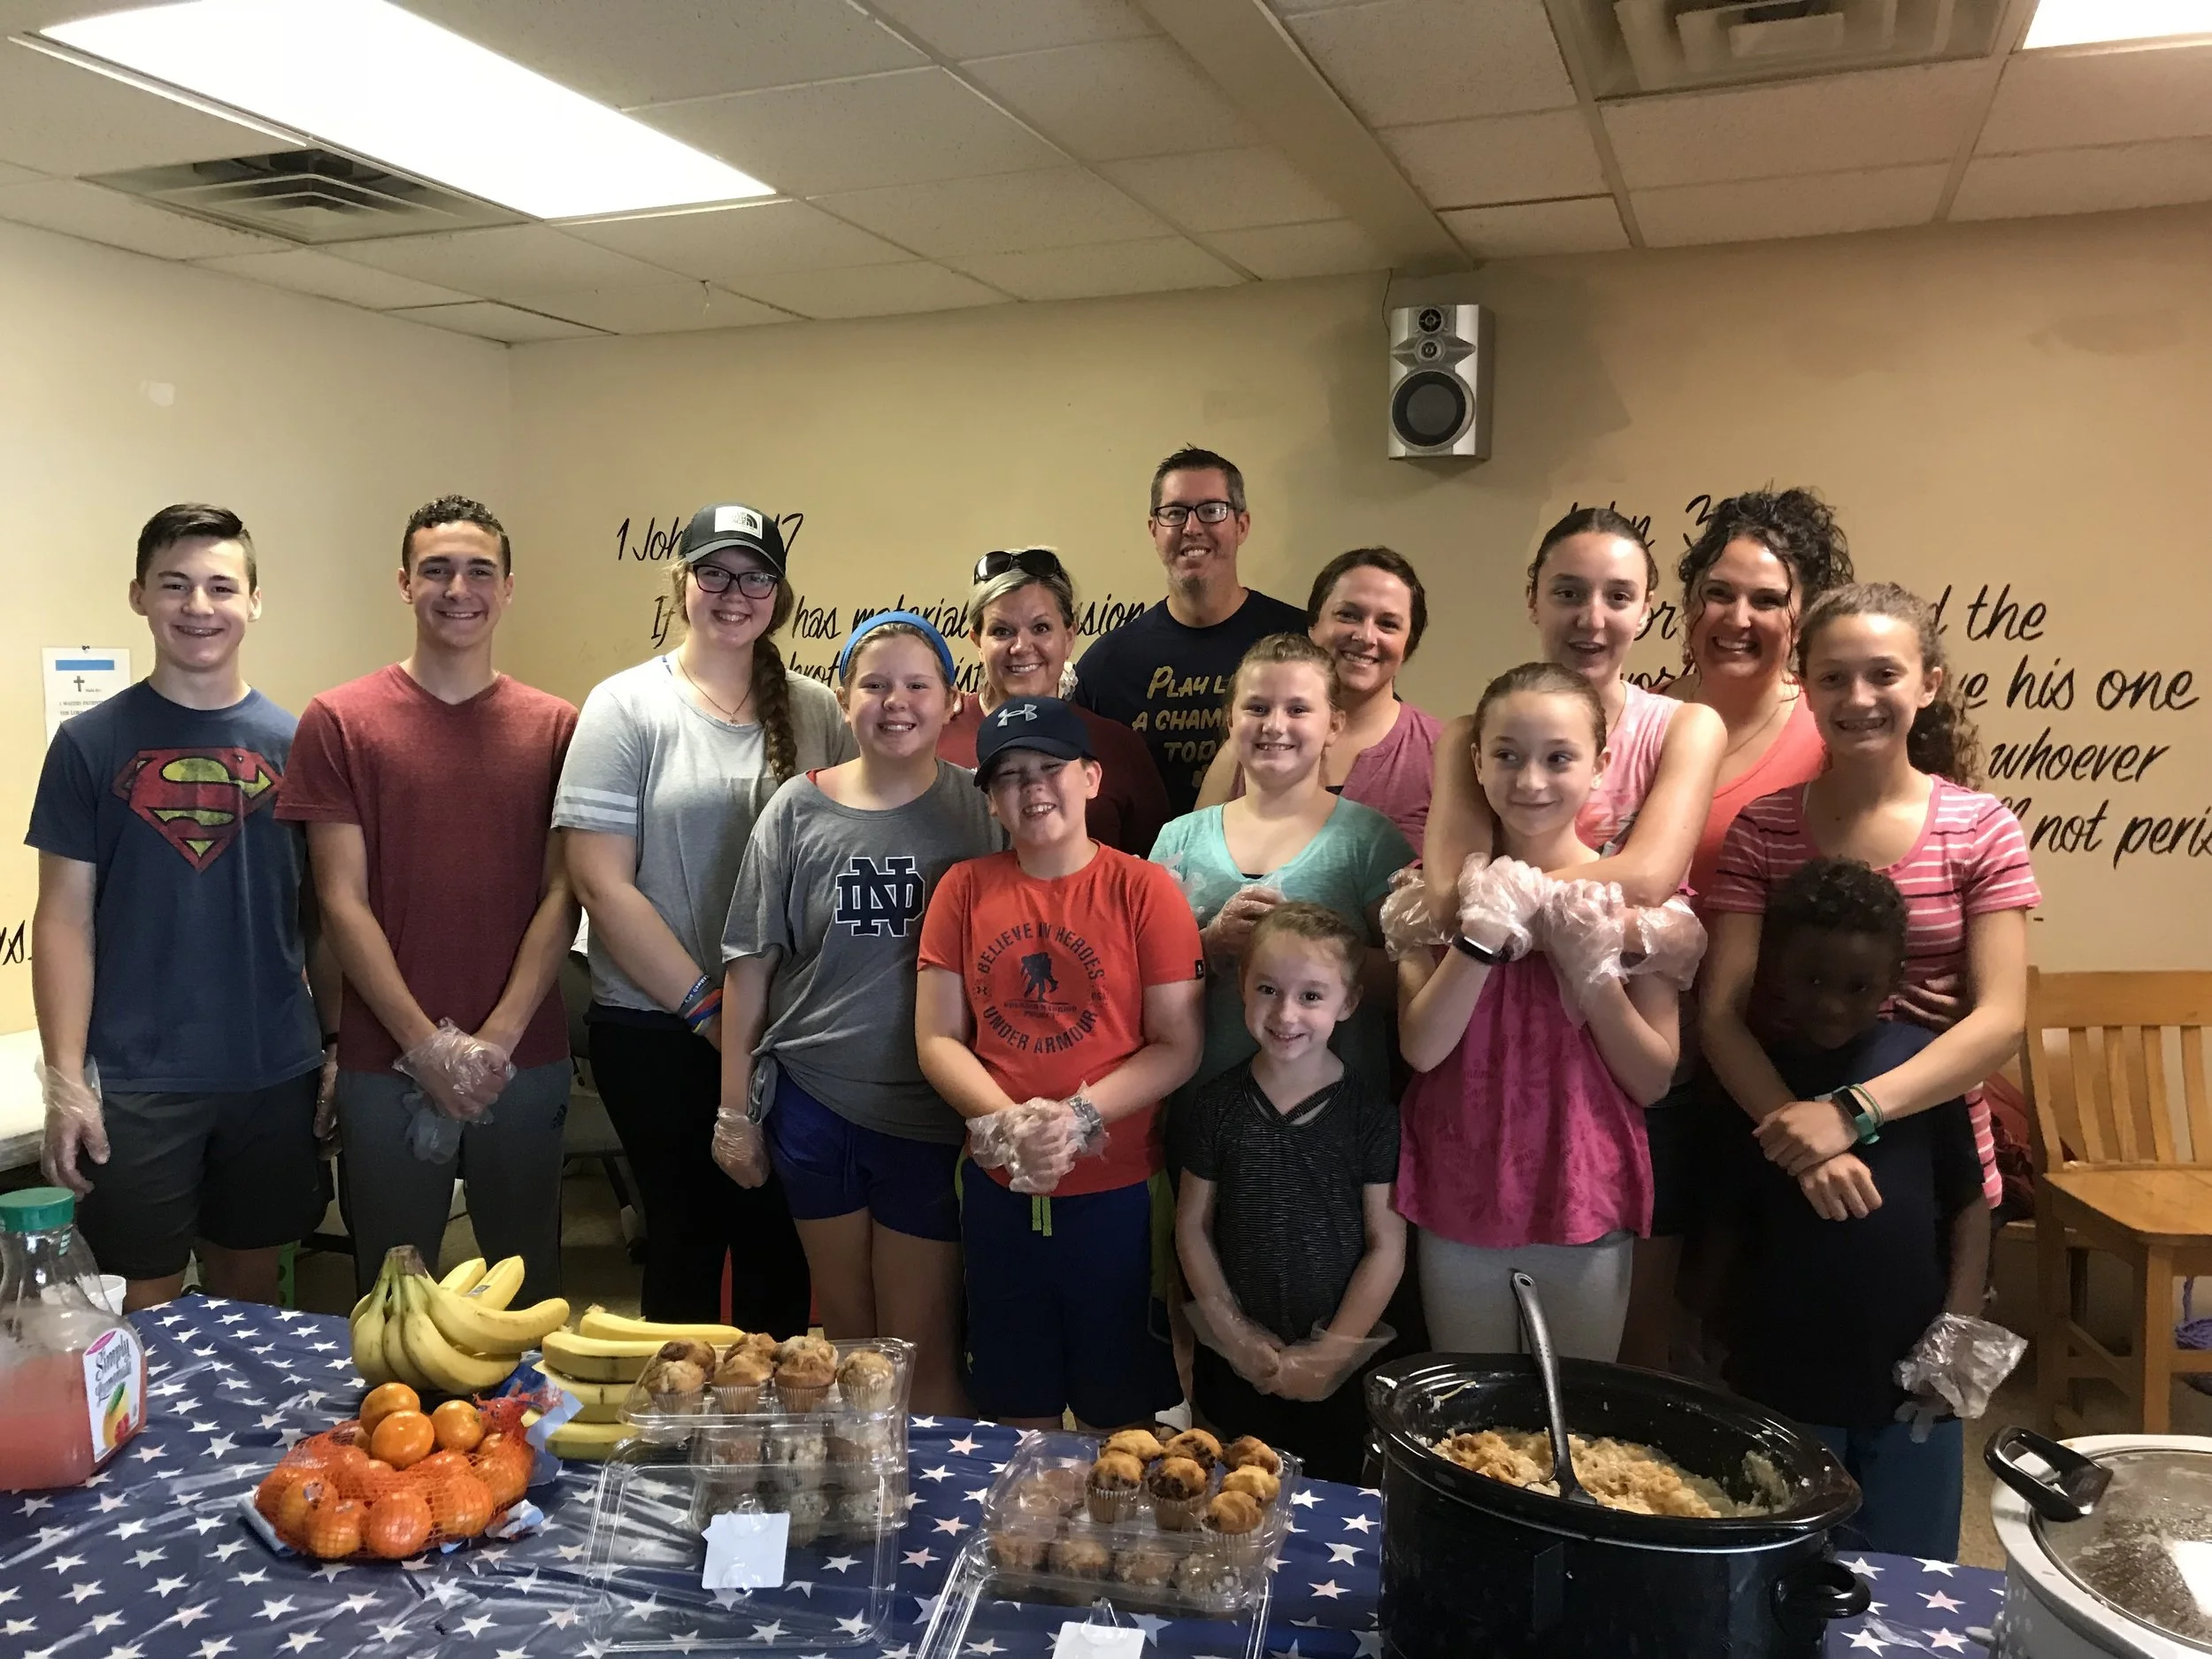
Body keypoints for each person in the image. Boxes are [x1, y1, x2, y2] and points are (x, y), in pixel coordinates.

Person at [28, 503, 332, 1311]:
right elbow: (62, 918)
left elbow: (326, 916)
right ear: (139, 595)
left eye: (221, 586)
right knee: (145, 1304)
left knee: (252, 1295)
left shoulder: (300, 744)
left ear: (255, 601)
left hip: (272, 1070)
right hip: (135, 1081)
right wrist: (67, 1079)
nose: (199, 606)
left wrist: (336, 1042)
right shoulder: (89, 744)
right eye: (176, 584)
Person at [280, 496, 578, 1302]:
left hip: (526, 1058)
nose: (458, 588)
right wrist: (425, 1046)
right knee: (395, 1294)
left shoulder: (558, 728)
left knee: (529, 1293)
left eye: (479, 570)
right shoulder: (339, 722)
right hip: (387, 1061)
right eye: (437, 569)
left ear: (508, 587)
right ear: (404, 583)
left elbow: (564, 891)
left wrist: (497, 1040)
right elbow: (342, 901)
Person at [555, 503, 841, 1331]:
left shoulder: (817, 708)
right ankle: (675, 1449)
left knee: (778, 1249)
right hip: (657, 1029)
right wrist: (713, 1013)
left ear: (779, 594)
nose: (734, 591)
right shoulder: (626, 706)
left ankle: (766, 1442)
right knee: (685, 1245)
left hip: (789, 1034)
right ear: (679, 584)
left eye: (755, 575)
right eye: (712, 571)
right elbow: (599, 882)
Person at [713, 613, 998, 1415]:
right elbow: (751, 966)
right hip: (814, 1107)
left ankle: (931, 1525)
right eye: (874, 684)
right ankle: (861, 1519)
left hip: (927, 1114)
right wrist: (734, 1109)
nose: (895, 702)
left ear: (951, 701)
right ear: (843, 699)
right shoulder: (796, 812)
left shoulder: (981, 812)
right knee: (848, 1344)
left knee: (922, 1355)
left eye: (918, 685)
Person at [1701, 581, 2040, 1225]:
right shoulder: (1762, 828)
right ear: (1805, 686)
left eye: (1884, 673)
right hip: (1781, 1139)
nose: (1858, 698)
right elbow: (1721, 1016)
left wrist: (1850, 1112)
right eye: (1833, 677)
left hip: (1939, 1149)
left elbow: (2001, 1018)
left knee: (1930, 1324)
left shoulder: (1983, 827)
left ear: (1928, 684)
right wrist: (1804, 1142)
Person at [1397, 663, 1701, 1359]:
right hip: (1460, 1186)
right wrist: (1479, 936)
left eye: (1559, 758)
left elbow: (1654, 1079)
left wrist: (1591, 968)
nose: (1531, 781)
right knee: (1469, 1421)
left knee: (1576, 1416)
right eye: (1507, 755)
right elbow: (1422, 1048)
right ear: (1477, 762)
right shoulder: (1431, 899)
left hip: (1583, 1193)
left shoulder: (1642, 914)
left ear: (1600, 766)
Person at [917, 697, 1204, 1430]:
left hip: (1118, 1193)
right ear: (988, 796)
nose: (1033, 786)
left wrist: (1078, 1116)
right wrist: (1009, 1123)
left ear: (1092, 778)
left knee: (1122, 1419)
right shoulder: (964, 888)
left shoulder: (1145, 891)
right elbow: (938, 1037)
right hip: (996, 1189)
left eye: (1051, 767)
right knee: (1017, 1410)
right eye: (1009, 775)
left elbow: (1178, 1043)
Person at [1619, 488, 1853, 1370]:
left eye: (1767, 600)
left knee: (1742, 1333)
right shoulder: (1642, 722)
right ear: (1685, 605)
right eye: (1719, 592)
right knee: (1648, 1325)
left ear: (1801, 617)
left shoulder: (1827, 731)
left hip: (1774, 1062)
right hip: (1658, 1058)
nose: (1738, 618)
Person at [1719, 857, 1985, 1560]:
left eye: (1858, 985)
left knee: (1914, 1574)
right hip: (1786, 1385)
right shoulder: (1758, 1084)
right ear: (1775, 970)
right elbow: (1725, 1227)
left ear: (1893, 982)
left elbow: (1968, 1202)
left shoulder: (1919, 1066)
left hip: (1912, 1387)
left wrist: (1957, 1328)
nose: (1833, 1003)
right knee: (1784, 1573)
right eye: (1812, 980)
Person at [1174, 902, 1404, 1482]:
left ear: (1347, 1003)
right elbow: (1191, 1226)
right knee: (1224, 1497)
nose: (1285, 1013)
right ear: (1241, 989)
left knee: (1326, 1513)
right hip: (1233, 1363)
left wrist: (1328, 1357)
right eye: (1269, 989)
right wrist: (1233, 1334)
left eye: (1311, 995)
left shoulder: (1370, 1115)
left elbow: (1386, 1244)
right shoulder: (1216, 1107)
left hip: (1337, 1370)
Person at [1151, 634, 1411, 1101]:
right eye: (1256, 708)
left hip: (1331, 1125)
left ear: (1334, 724)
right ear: (1229, 721)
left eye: (1297, 710)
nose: (1275, 725)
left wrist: (1308, 950)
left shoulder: (1370, 841)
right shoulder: (1179, 839)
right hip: (1199, 1112)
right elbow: (1137, 979)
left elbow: (1409, 981)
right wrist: (1208, 946)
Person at [1424, 507, 1724, 910]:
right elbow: (1450, 898)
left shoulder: (1682, 728)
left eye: (1618, 597)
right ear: (1533, 600)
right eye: (1569, 594)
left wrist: (1498, 903)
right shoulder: (1468, 738)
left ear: (1645, 611)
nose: (1592, 619)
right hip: (1488, 973)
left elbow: (1649, 878)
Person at [1072, 446, 1306, 814]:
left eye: (1212, 511)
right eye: (1175, 513)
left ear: (1241, 526)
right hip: (1146, 866)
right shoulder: (1107, 665)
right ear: (1154, 529)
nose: (1192, 528)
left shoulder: (1302, 641)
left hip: (1287, 864)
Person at [1196, 546, 1440, 848]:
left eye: (1388, 624)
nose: (1365, 636)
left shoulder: (1439, 753)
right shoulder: (1246, 748)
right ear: (1313, 625)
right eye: (1348, 615)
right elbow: (1193, 868)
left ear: (1409, 643)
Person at [937, 547, 1169, 855]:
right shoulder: (936, 737)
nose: (1021, 646)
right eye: (1001, 631)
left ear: (1069, 636)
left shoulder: (1118, 747)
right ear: (978, 642)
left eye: (1041, 628)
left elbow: (1159, 870)